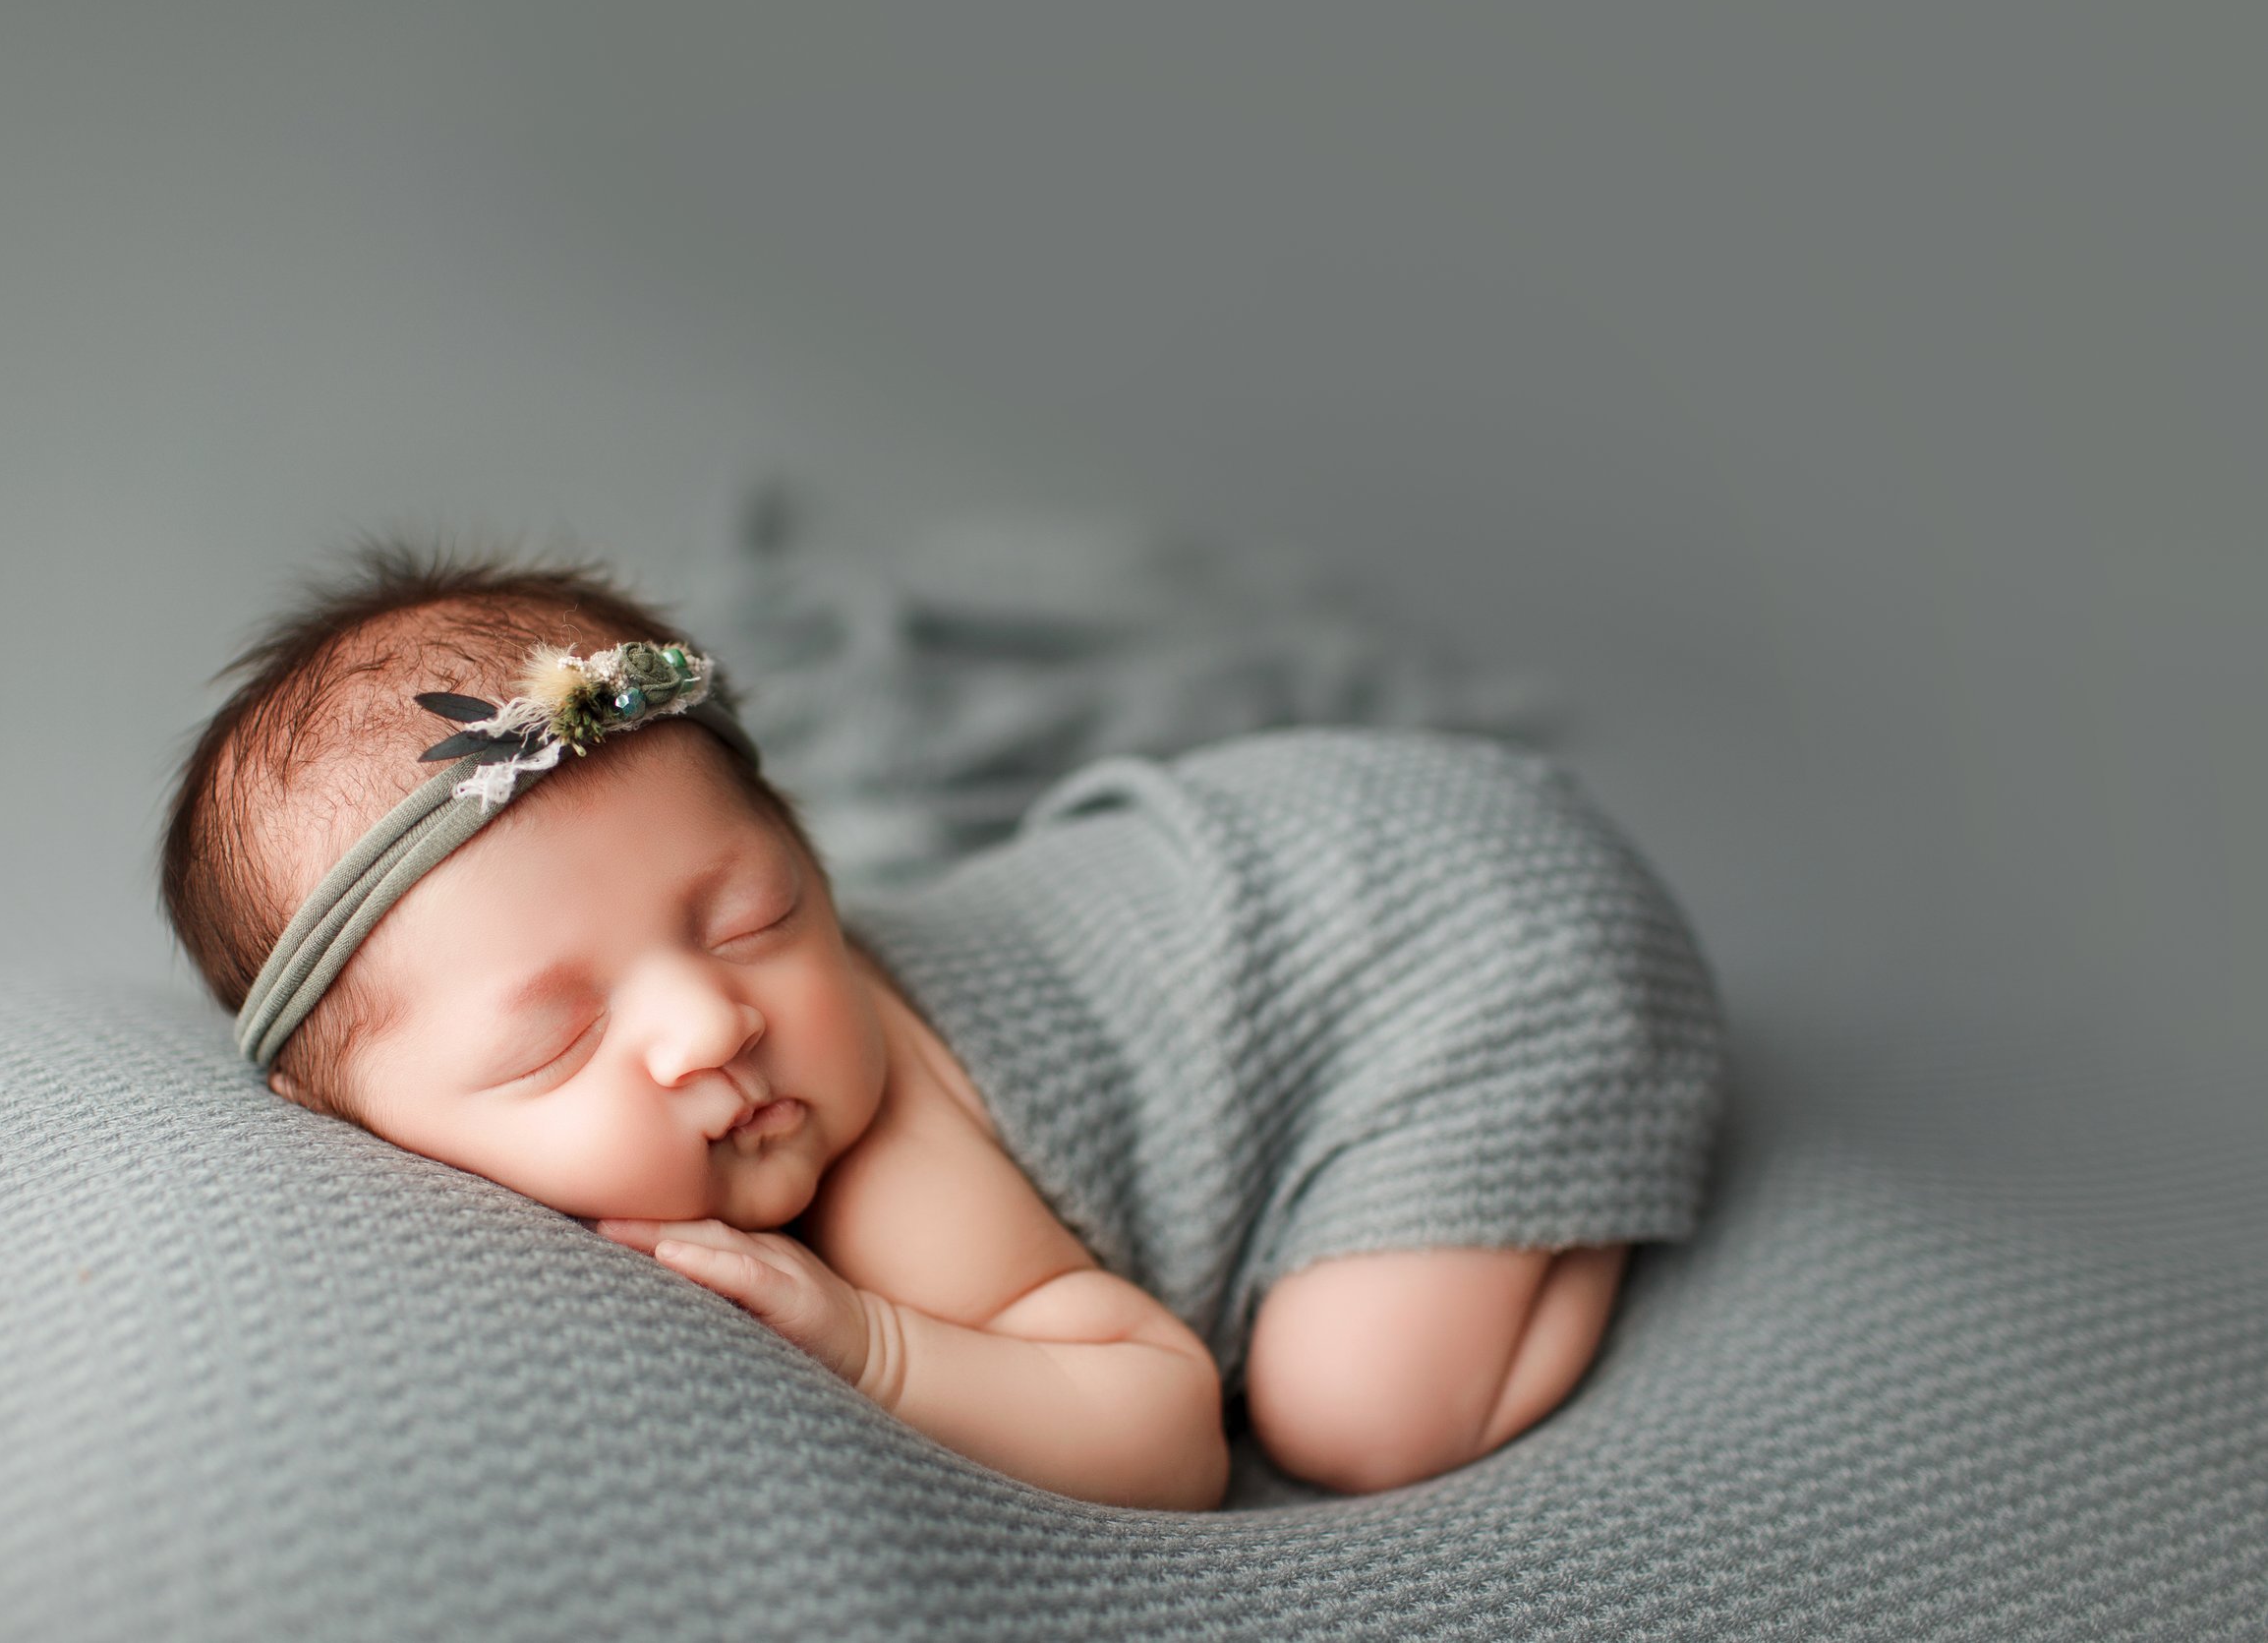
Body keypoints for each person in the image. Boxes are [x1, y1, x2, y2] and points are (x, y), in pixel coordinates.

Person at [161, 544, 1705, 1510]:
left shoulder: (889, 1146)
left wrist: (886, 1348)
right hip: (1339, 849)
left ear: (816, 861)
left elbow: (1169, 1428)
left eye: (754, 917)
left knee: (1353, 1413)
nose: (713, 1019)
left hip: (1477, 938)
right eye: (555, 1039)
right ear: (354, 1116)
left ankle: (1595, 1177)